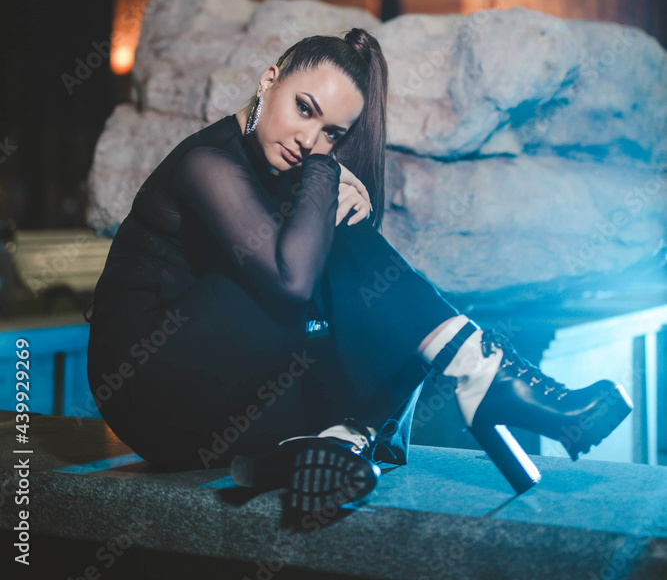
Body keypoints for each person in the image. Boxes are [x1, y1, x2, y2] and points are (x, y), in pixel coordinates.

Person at [86, 28, 632, 512]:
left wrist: (341, 203)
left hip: (213, 401)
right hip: (147, 378)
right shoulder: (208, 162)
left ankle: (330, 445)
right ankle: (478, 373)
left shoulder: (277, 166)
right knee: (320, 259)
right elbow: (290, 283)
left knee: (369, 301)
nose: (309, 140)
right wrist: (325, 176)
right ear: (269, 79)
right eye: (304, 108)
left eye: (331, 134)